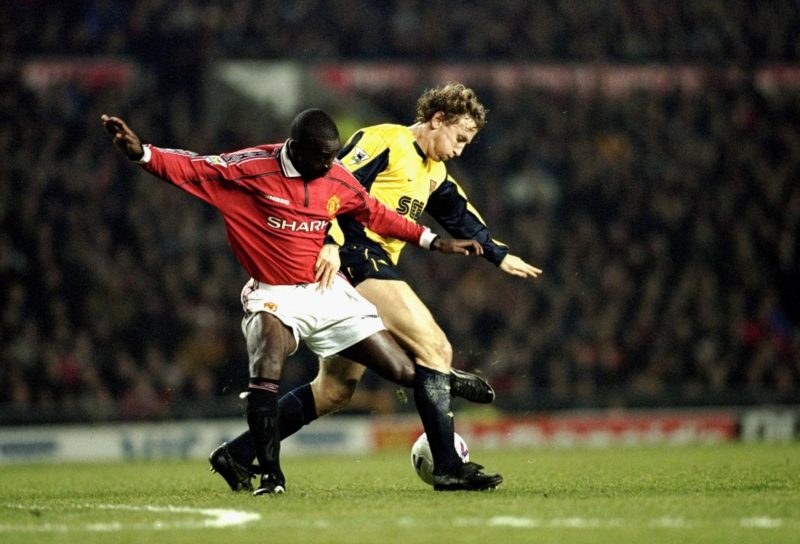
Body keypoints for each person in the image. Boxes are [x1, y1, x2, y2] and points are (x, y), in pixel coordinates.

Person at [101, 109, 503, 494]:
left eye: (334, 156)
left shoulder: (336, 175)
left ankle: (238, 455)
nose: (332, 164)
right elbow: (193, 167)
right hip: (274, 293)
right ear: (296, 148)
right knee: (270, 373)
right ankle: (274, 475)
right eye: (324, 156)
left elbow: (375, 212)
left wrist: (435, 241)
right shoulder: (253, 168)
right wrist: (143, 153)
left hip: (324, 289)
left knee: (352, 385)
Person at [210, 83, 540, 491]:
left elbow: (461, 215)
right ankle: (448, 465)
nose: (460, 149)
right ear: (438, 119)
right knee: (435, 348)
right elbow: (328, 184)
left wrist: (498, 254)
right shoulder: (384, 140)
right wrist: (328, 240)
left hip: (360, 268)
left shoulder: (434, 172)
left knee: (333, 390)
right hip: (352, 257)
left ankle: (238, 455)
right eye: (459, 138)